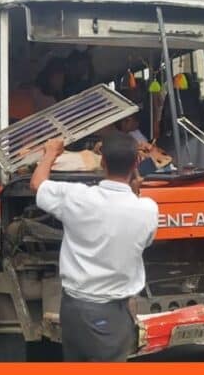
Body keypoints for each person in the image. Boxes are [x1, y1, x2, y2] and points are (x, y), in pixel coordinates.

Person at [30, 132, 158, 361]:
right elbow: (143, 241)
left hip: (72, 311)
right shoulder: (147, 210)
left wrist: (50, 153)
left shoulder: (77, 197)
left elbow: (37, 184)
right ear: (136, 163)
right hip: (110, 315)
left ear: (102, 162)